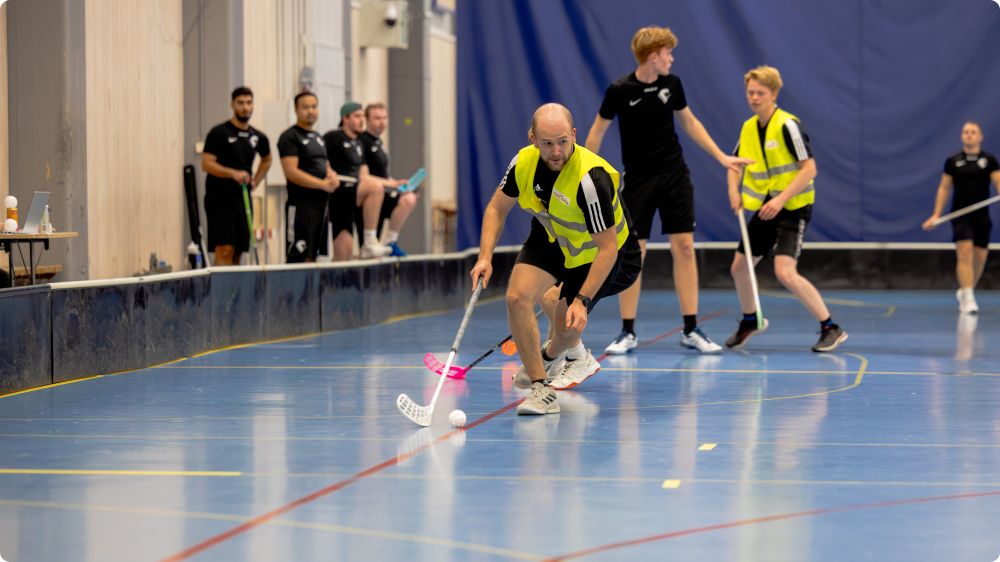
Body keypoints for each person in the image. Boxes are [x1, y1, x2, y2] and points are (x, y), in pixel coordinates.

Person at [586, 26, 751, 356]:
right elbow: (596, 132)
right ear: (653, 56)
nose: (672, 59)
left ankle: (691, 329)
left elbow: (690, 122)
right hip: (638, 181)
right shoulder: (619, 90)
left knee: (685, 248)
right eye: (668, 54)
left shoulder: (672, 84)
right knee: (634, 253)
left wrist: (721, 157)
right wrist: (587, 176)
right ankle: (627, 331)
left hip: (675, 176)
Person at [470, 103, 641, 415]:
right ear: (533, 138)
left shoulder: (590, 179)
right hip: (553, 235)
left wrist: (582, 301)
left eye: (563, 141)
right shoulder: (523, 163)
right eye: (547, 143)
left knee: (564, 322)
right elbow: (496, 208)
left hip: (604, 253)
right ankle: (541, 389)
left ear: (574, 135)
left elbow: (608, 248)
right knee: (517, 298)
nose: (556, 151)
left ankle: (551, 356)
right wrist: (485, 257)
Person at [725, 65, 847, 352]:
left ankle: (830, 327)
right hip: (765, 208)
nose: (754, 98)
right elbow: (734, 164)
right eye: (750, 92)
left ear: (774, 94)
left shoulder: (788, 125)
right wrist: (733, 191)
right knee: (739, 267)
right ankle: (750, 320)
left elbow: (810, 168)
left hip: (792, 207)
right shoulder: (748, 128)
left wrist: (780, 200)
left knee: (785, 271)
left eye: (760, 93)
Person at [922, 121, 1000, 314]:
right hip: (960, 215)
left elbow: (998, 183)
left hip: (981, 216)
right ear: (962, 136)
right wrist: (936, 214)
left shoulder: (989, 161)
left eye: (973, 132)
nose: (969, 135)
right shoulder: (953, 161)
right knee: (965, 251)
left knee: (980, 256)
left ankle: (966, 290)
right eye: (966, 132)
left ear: (980, 136)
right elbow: (944, 188)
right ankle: (969, 297)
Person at [200, 86, 272, 265]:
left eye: (249, 103)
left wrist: (255, 181)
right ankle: (220, 283)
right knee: (225, 249)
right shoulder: (219, 133)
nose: (245, 107)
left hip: (243, 198)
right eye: (240, 103)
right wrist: (233, 173)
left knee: (238, 252)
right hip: (220, 199)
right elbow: (206, 163)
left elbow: (267, 159)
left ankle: (232, 284)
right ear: (232, 104)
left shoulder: (258, 136)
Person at [323, 102, 391, 260]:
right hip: (339, 194)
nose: (362, 120)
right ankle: (370, 240)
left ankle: (376, 241)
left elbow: (364, 175)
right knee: (375, 187)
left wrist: (393, 184)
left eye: (363, 116)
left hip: (352, 198)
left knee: (345, 255)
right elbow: (321, 160)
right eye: (357, 116)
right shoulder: (333, 137)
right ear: (345, 118)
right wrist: (330, 173)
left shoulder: (359, 143)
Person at [277, 92, 339, 263]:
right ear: (296, 109)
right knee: (298, 256)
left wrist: (332, 176)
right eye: (305, 107)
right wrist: (322, 184)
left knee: (313, 257)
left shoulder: (318, 137)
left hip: (320, 207)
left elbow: (325, 165)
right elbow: (291, 172)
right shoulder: (290, 136)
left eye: (314, 106)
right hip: (300, 207)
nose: (311, 111)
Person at [358, 102, 418, 257]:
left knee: (409, 198)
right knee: (369, 249)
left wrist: (398, 184)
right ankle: (370, 244)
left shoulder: (379, 143)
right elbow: (364, 176)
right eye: (377, 118)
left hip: (384, 191)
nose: (382, 122)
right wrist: (392, 184)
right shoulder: (361, 141)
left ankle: (390, 241)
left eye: (384, 118)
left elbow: (383, 175)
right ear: (367, 120)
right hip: (370, 196)